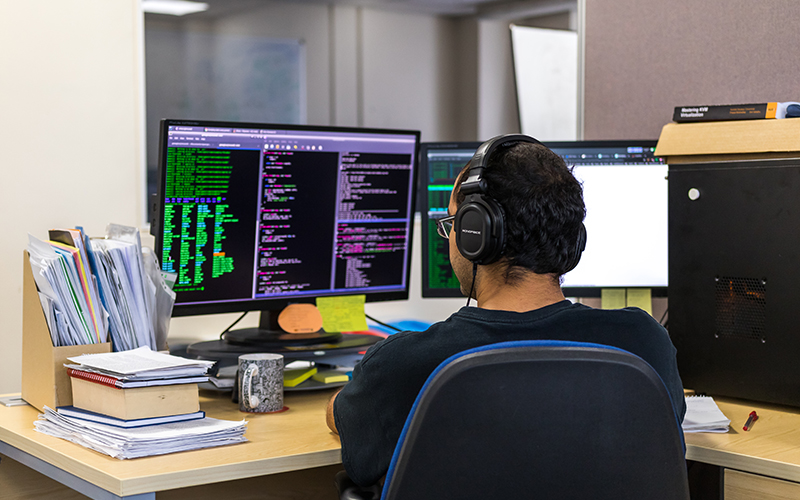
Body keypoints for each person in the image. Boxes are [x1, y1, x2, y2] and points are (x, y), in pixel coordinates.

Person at [326, 135, 685, 487]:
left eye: (453, 223)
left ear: (476, 233)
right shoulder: (644, 342)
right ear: (575, 239)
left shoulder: (404, 363)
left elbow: (345, 424)